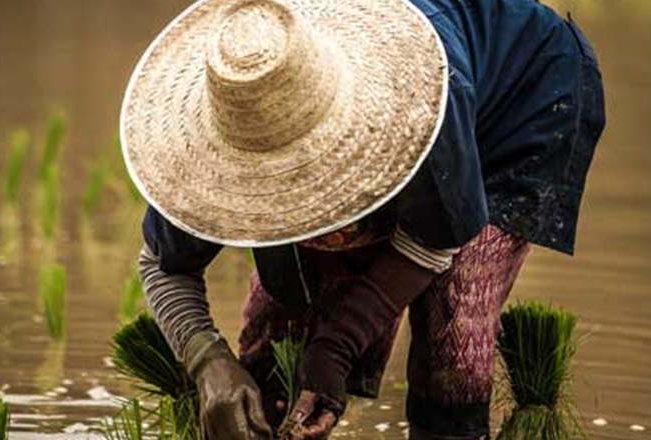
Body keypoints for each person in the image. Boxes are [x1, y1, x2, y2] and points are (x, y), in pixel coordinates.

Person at [120, 0, 605, 439]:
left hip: (515, 103)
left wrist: (338, 344)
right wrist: (209, 362)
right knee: (281, 333)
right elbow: (164, 264)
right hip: (391, 97)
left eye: (298, 169)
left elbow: (436, 240)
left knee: (453, 331)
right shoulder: (212, 136)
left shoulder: (418, 103)